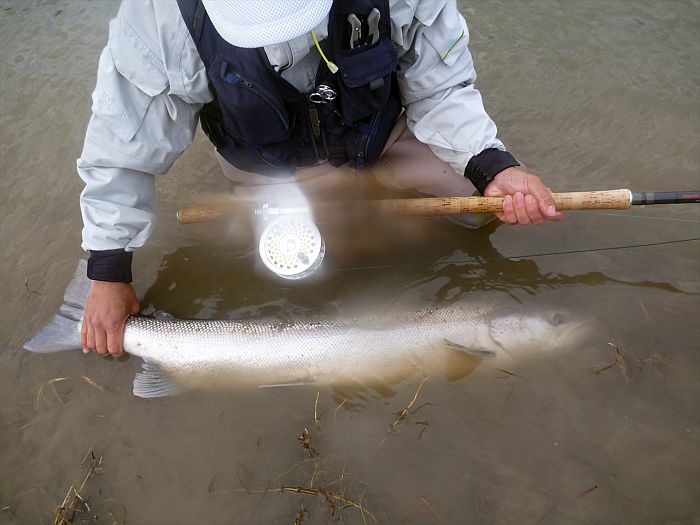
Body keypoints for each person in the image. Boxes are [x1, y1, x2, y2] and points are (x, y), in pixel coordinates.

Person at [79, 0, 563, 357]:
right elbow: (121, 146)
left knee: (479, 214)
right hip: (277, 171)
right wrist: (107, 270)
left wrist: (493, 165)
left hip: (387, 133)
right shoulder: (160, 17)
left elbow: (441, 83)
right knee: (313, 276)